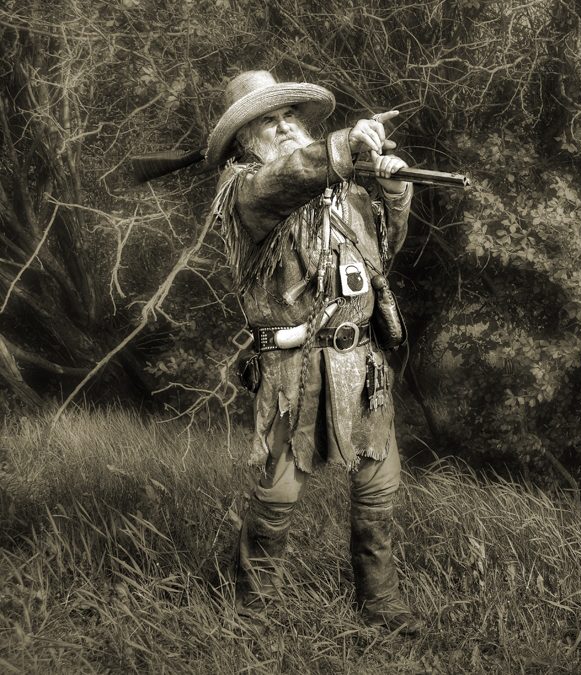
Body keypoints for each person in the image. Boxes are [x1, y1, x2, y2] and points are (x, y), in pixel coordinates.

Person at [205, 70, 421, 635]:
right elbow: (289, 177)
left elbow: (380, 261)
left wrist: (394, 191)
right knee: (277, 493)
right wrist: (346, 146)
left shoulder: (345, 190)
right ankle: (255, 610)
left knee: (380, 487)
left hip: (362, 364)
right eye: (266, 122)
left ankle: (381, 602)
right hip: (291, 369)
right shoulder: (246, 193)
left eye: (288, 117)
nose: (282, 127)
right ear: (244, 142)